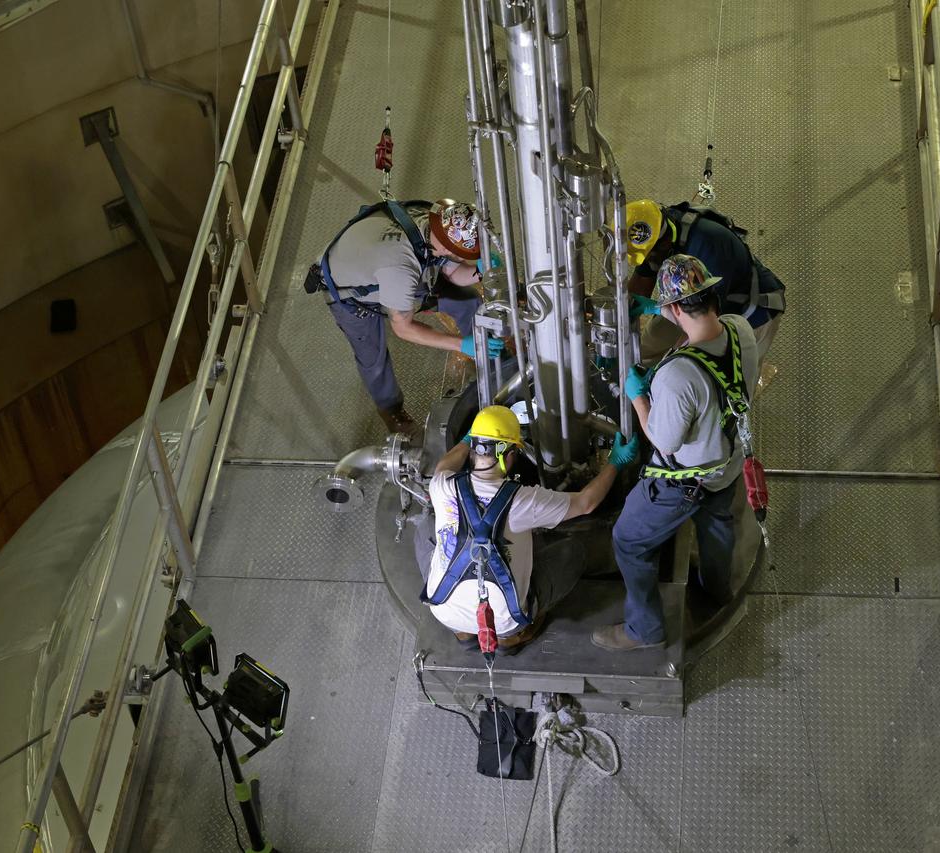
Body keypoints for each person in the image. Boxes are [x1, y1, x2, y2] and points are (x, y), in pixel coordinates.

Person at [592, 255, 758, 652]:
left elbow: (663, 441)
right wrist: (657, 308)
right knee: (717, 527)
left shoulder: (677, 376)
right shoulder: (740, 329)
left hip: (683, 482)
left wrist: (638, 398)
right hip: (728, 464)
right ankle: (718, 590)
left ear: (677, 307)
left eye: (665, 305)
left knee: (629, 540)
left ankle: (644, 630)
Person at [423, 405, 639, 650]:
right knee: (573, 553)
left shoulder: (442, 485)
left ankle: (462, 632)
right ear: (510, 455)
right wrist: (615, 463)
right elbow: (586, 503)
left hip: (444, 610)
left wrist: (466, 439)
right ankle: (511, 637)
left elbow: (444, 464)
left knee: (425, 528)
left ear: (474, 449)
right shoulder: (521, 501)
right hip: (505, 620)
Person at [306, 198, 507, 434]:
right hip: (349, 292)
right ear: (445, 245)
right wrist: (461, 345)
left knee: (467, 300)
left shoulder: (431, 222)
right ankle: (391, 410)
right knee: (373, 357)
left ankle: (490, 359)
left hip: (377, 261)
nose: (464, 257)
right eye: (462, 253)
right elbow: (403, 329)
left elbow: (451, 273)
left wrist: (480, 271)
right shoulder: (401, 269)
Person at [624, 199, 785, 362]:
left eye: (649, 256)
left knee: (718, 376)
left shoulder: (710, 248)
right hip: (689, 300)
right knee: (647, 350)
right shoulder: (656, 233)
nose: (648, 261)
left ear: (665, 244)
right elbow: (640, 286)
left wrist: (672, 362)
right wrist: (623, 308)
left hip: (748, 311)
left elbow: (705, 322)